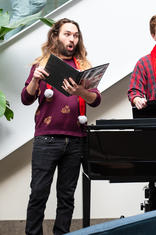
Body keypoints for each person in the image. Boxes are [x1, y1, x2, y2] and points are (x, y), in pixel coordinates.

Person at [22, 18, 101, 235]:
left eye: (75, 35)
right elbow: (25, 99)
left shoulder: (84, 67)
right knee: (38, 194)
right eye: (67, 34)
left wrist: (80, 92)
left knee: (66, 198)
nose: (72, 39)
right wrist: (35, 81)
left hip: (76, 140)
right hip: (46, 139)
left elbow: (95, 100)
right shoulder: (42, 64)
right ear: (56, 36)